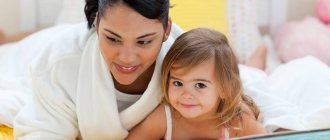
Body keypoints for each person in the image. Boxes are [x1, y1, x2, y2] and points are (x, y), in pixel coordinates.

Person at [10, 0, 307, 139]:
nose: (128, 57)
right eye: (112, 38)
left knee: (250, 74)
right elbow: (43, 130)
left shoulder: (181, 53)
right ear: (96, 24)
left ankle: (255, 59)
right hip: (42, 48)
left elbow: (238, 92)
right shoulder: (61, 61)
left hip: (238, 72)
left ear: (165, 29)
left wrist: (283, 130)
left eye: (144, 41)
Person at [126, 28, 266, 139]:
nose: (186, 95)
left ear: (224, 88)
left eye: (200, 85)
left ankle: (255, 62)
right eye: (178, 83)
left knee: (253, 77)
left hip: (240, 85)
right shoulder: (165, 117)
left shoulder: (237, 121)